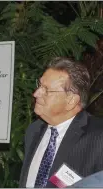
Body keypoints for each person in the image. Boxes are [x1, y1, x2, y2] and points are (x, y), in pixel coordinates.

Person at [19, 57, 103, 188]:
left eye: (46, 90)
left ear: (71, 101)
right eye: (39, 85)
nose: (36, 94)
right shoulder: (33, 130)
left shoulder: (98, 137)